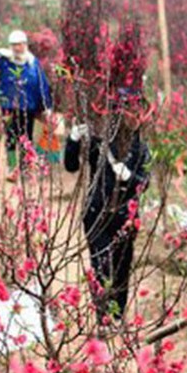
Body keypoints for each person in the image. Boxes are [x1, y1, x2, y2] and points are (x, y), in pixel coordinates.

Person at [64, 88, 150, 324]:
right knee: (101, 265)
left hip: (125, 216)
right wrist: (72, 139)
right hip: (96, 214)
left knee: (122, 268)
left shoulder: (140, 148)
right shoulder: (98, 144)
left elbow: (145, 181)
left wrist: (130, 176)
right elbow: (70, 165)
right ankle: (103, 317)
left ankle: (117, 315)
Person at [0, 30, 53, 182]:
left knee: (26, 138)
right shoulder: (4, 61)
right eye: (14, 45)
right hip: (8, 106)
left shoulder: (32, 63)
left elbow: (42, 85)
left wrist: (46, 106)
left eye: (20, 45)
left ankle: (25, 169)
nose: (17, 48)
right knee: (10, 137)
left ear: (25, 45)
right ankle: (12, 168)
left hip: (28, 107)